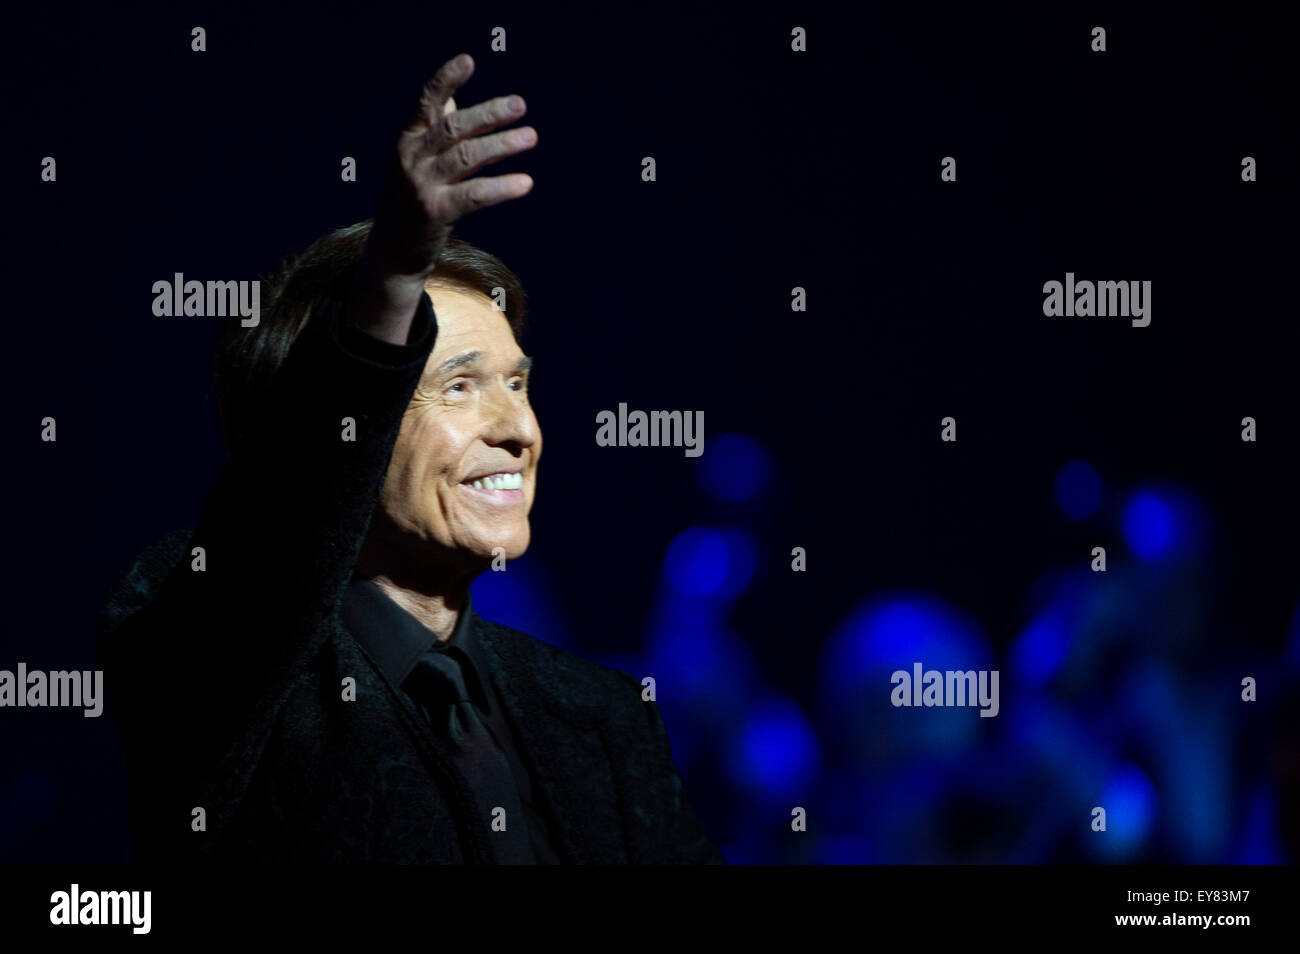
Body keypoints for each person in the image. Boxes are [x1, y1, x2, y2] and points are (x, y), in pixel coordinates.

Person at [99, 52, 723, 864]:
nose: (518, 430)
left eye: (518, 385)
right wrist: (391, 275)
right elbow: (273, 534)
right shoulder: (210, 656)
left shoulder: (599, 712)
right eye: (459, 387)